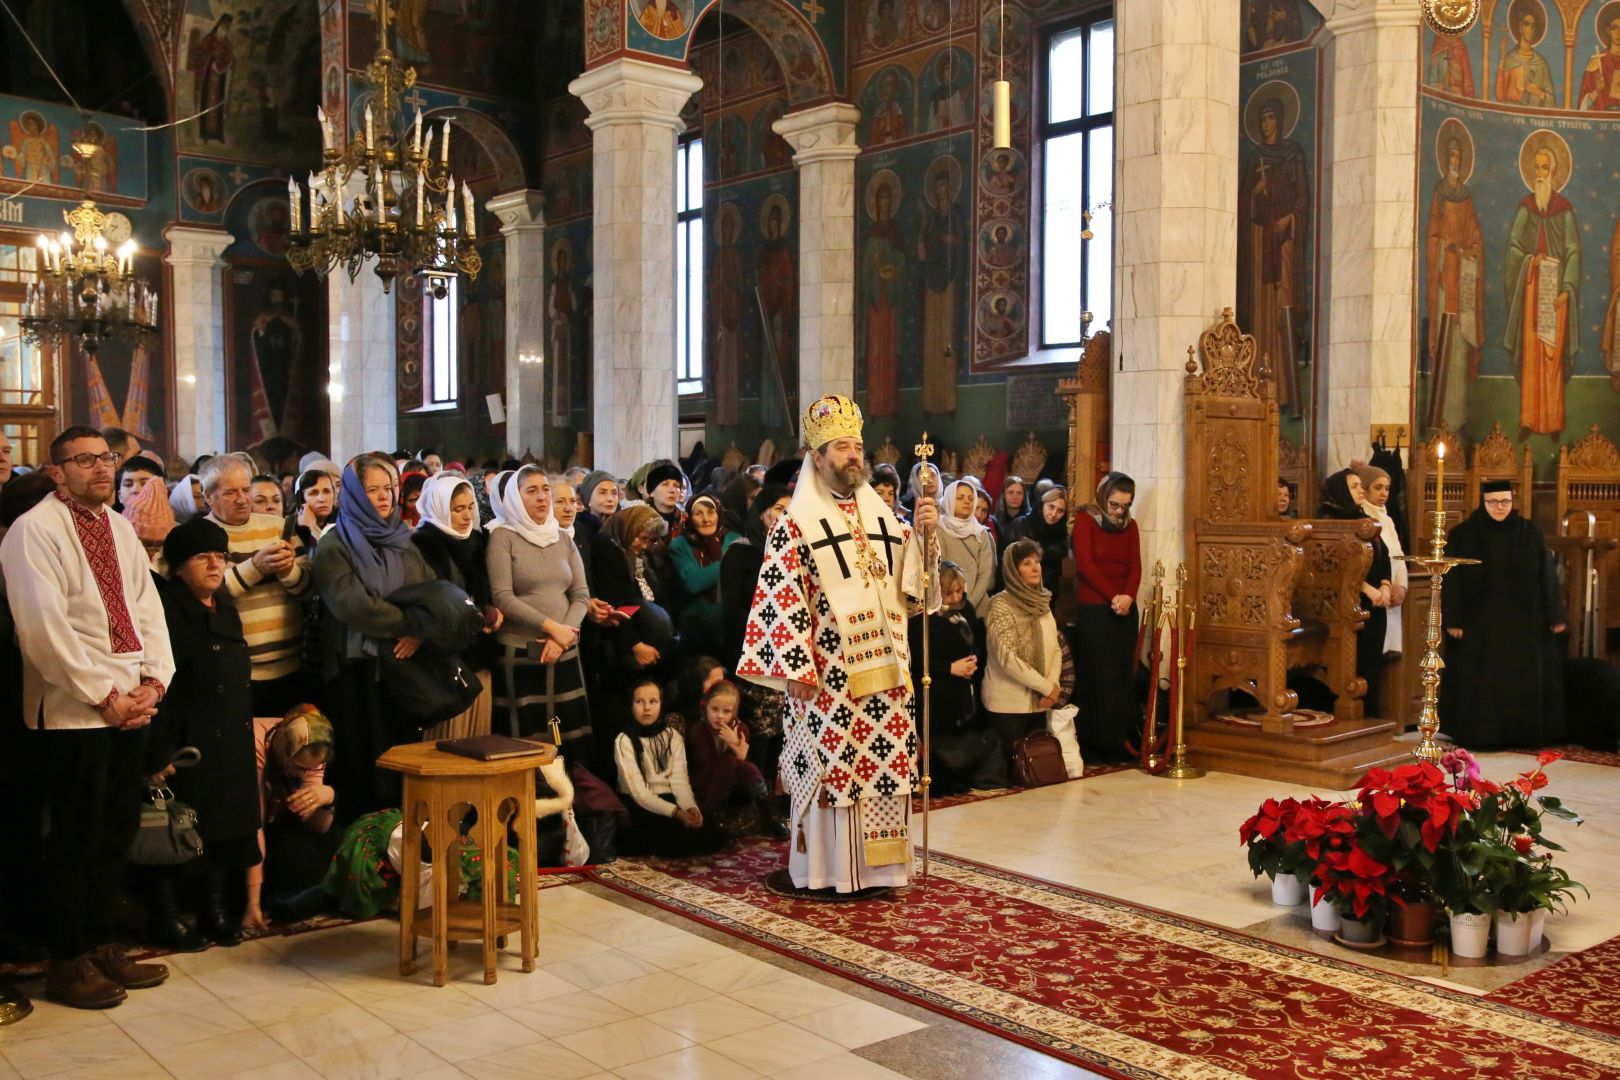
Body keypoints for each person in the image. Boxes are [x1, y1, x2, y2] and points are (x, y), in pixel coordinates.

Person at [0, 427, 174, 1008]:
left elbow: (145, 608)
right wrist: (104, 695)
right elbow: (42, 631)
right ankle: (67, 958)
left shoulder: (119, 526)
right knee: (74, 840)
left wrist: (153, 681)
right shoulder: (33, 531)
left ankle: (103, 944)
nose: (101, 469)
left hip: (129, 703)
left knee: (114, 833)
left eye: (107, 458)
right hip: (75, 710)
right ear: (58, 472)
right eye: (85, 461)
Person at [737, 395, 938, 894]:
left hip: (888, 678)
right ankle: (827, 872)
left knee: (884, 769)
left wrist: (929, 541)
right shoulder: (794, 525)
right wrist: (795, 670)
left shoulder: (887, 521)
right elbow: (780, 600)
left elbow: (914, 590)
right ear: (818, 457)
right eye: (841, 447)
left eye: (857, 446)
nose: (852, 455)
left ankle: (881, 870)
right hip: (827, 676)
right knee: (832, 771)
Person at [145, 517, 261, 950]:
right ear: (177, 566)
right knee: (175, 831)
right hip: (184, 738)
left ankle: (214, 908)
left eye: (221, 556)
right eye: (201, 557)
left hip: (227, 737)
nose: (214, 565)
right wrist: (158, 752)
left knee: (221, 826)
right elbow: (156, 682)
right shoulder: (164, 612)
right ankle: (167, 915)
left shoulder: (226, 610)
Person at [311, 455, 436, 819]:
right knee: (362, 763)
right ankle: (365, 853)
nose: (384, 497)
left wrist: (420, 629)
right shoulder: (334, 544)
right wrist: (409, 623)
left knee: (402, 760)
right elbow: (354, 607)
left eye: (389, 488)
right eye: (372, 490)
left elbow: (431, 591)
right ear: (352, 494)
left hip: (402, 668)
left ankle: (404, 846)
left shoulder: (403, 539)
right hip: (356, 669)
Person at [1440, 479, 1566, 748]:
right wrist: (1453, 618)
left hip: (1523, 622)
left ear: (1513, 501)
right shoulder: (1463, 534)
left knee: (1521, 679)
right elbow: (1452, 579)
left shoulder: (1529, 532)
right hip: (1479, 622)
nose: (1500, 507)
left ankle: (1522, 734)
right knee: (1483, 682)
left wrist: (1555, 615)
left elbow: (1547, 575)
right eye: (1494, 502)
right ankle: (1482, 735)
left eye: (1505, 502)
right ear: (1483, 502)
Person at [486, 466, 592, 758]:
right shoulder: (502, 537)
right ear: (516, 498)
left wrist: (563, 636)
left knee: (562, 730)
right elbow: (503, 597)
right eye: (531, 491)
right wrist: (551, 627)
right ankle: (532, 798)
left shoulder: (562, 537)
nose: (542, 497)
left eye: (545, 489)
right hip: (521, 652)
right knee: (528, 736)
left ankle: (567, 795)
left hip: (563, 650)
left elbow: (581, 595)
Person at [202, 453, 313, 717]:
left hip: (291, 666)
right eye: (230, 492)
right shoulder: (201, 535)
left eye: (245, 489)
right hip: (234, 671)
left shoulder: (279, 528)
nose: (242, 499)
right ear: (209, 496)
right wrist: (256, 568)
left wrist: (288, 571)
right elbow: (208, 596)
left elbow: (308, 590)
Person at [413, 474, 501, 740]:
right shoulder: (423, 543)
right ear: (440, 507)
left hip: (478, 652)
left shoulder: (476, 540)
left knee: (477, 735)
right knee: (447, 738)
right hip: (445, 657)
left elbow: (484, 591)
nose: (466, 516)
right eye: (457, 509)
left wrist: (490, 612)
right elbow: (427, 597)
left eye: (470, 507)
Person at [909, 561, 1005, 793]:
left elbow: (975, 643)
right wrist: (949, 668)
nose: (955, 597)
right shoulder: (921, 617)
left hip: (964, 686)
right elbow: (916, 660)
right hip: (936, 688)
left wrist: (973, 661)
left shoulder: (967, 610)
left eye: (959, 591)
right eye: (948, 592)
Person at [1071, 473, 1143, 762]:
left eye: (1124, 506)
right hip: (1095, 607)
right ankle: (1095, 742)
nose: (1118, 512)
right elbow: (1085, 565)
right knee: (1097, 675)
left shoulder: (1131, 526)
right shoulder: (1086, 520)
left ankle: (1119, 739)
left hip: (1124, 609)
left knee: (1121, 676)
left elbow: (1135, 566)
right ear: (1103, 498)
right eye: (1114, 505)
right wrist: (1113, 596)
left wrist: (1128, 596)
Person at [247, 705, 339, 927]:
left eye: (310, 769)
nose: (303, 774)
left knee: (329, 845)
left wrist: (328, 798)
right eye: (298, 768)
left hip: (276, 819)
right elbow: (253, 826)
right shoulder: (257, 742)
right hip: (239, 820)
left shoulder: (314, 750)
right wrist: (253, 905)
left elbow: (319, 828)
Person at [613, 676, 719, 856]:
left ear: (661, 704)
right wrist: (676, 812)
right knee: (670, 839)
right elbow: (639, 793)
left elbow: (680, 782)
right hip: (641, 805)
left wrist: (690, 808)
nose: (647, 708)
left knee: (707, 832)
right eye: (640, 702)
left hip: (670, 799)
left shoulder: (672, 736)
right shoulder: (624, 740)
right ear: (631, 705)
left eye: (653, 701)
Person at [1319, 469, 1393, 712]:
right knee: (1353, 665)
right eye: (1354, 486)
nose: (1361, 490)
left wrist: (1385, 584)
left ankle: (1369, 715)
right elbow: (1334, 566)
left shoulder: (1364, 520)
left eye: (1361, 485)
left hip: (1375, 605)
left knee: (1371, 664)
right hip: (1349, 605)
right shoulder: (1328, 522)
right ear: (1341, 490)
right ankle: (1350, 716)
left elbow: (1384, 557)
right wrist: (1369, 590)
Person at [982, 540, 1062, 766]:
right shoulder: (1000, 605)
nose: (1035, 567)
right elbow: (1007, 659)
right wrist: (1047, 688)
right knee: (1014, 777)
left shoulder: (1043, 603)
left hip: (1041, 703)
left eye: (1037, 562)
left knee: (1038, 775)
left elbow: (1055, 648)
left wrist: (1052, 687)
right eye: (1026, 563)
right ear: (1013, 570)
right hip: (1008, 706)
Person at [684, 681, 787, 837]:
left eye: (726, 711)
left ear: (734, 712)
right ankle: (710, 816)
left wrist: (737, 744)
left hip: (733, 786)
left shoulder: (740, 728)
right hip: (706, 783)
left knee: (746, 768)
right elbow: (705, 763)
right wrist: (731, 747)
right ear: (706, 707)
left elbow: (743, 766)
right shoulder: (698, 729)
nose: (720, 716)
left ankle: (769, 817)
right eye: (715, 709)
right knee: (731, 762)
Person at [590, 504, 676, 682]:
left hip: (651, 640)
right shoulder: (608, 547)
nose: (645, 545)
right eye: (642, 538)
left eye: (651, 540)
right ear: (629, 528)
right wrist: (636, 645)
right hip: (628, 644)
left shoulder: (642, 552)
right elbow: (617, 600)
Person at [669, 492, 741, 658]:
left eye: (711, 512)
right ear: (689, 517)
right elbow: (693, 583)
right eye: (698, 513)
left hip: (732, 622)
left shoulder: (735, 539)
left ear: (719, 514)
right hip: (697, 624)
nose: (706, 519)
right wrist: (727, 565)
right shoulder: (680, 544)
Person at [1355, 464, 1407, 656]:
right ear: (1365, 488)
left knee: (1385, 654)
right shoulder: (1362, 519)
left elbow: (1398, 555)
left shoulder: (1388, 520)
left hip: (1389, 594)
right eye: (1378, 487)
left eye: (1386, 488)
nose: (1383, 493)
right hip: (1372, 596)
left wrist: (1401, 586)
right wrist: (1381, 586)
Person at [937, 479, 995, 617]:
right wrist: (955, 602)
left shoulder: (981, 533)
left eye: (970, 498)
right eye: (960, 497)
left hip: (979, 609)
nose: (967, 501)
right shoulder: (938, 530)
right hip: (948, 605)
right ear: (950, 499)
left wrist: (968, 605)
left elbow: (985, 574)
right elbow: (939, 569)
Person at [1009, 485, 1069, 598]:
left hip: (1048, 592)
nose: (1054, 514)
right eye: (1051, 506)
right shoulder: (1021, 525)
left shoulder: (1062, 532)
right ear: (1042, 505)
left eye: (1060, 510)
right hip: (1021, 590)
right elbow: (1019, 559)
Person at [122, 471, 177, 572]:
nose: (152, 553)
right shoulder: (119, 557)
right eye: (146, 544)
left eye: (158, 545)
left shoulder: (173, 560)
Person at [289, 468, 337, 547]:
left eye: (327, 491)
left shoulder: (345, 524)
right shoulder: (291, 530)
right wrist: (308, 529)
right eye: (313, 493)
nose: (322, 499)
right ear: (301, 500)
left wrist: (314, 529)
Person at [992, 476, 1030, 557]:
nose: (1015, 497)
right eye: (1010, 492)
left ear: (1024, 496)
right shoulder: (994, 521)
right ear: (1003, 495)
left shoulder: (1030, 520)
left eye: (1019, 493)